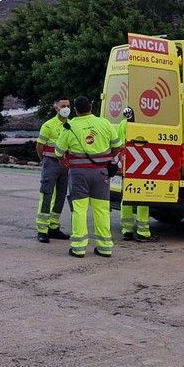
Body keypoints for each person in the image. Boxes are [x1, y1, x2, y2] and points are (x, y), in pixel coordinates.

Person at [55, 95, 119, 258]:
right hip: (101, 174)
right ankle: (105, 247)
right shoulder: (104, 123)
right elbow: (118, 145)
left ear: (75, 110)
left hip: (78, 175)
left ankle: (78, 248)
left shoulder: (69, 126)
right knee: (102, 210)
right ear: (91, 107)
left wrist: (64, 163)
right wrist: (111, 161)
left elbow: (58, 152)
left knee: (79, 210)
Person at [34, 98, 71, 243]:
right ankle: (42, 230)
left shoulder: (71, 124)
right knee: (47, 194)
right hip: (51, 163)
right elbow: (39, 146)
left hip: (65, 165)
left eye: (68, 106)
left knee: (61, 195)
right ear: (56, 108)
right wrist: (43, 160)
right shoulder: (48, 125)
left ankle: (54, 227)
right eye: (63, 106)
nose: (66, 108)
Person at [115, 106, 154, 242]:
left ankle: (127, 230)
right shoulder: (141, 125)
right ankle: (143, 231)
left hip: (127, 164)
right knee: (143, 196)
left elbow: (120, 144)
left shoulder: (122, 124)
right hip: (142, 165)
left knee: (126, 197)